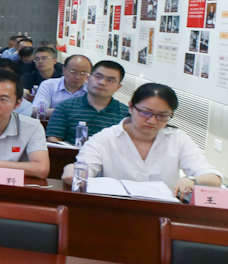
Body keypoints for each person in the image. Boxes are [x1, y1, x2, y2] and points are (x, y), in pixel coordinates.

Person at [68, 83, 219, 197]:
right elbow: (83, 169)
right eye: (146, 113)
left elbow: (214, 178)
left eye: (163, 116)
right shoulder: (106, 138)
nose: (152, 121)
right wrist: (72, 170)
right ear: (131, 107)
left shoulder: (177, 138)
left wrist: (192, 180)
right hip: (116, 210)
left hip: (163, 213)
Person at [46, 60, 128, 142]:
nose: (102, 82)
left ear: (118, 87)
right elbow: (53, 138)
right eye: (98, 77)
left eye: (110, 80)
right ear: (88, 79)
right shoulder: (65, 107)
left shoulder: (126, 114)